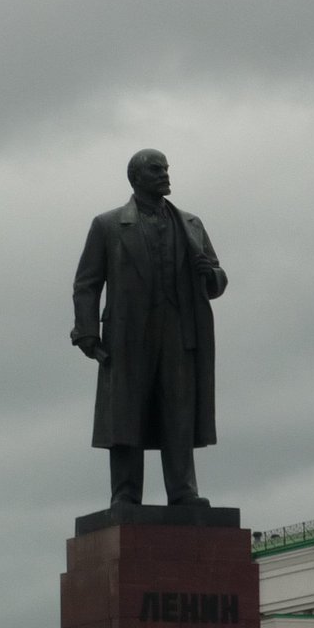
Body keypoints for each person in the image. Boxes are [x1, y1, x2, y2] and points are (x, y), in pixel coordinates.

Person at [71, 149, 227, 506]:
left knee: (179, 413)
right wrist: (87, 332)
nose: (165, 174)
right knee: (127, 417)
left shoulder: (190, 224)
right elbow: (87, 283)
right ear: (136, 177)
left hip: (179, 333)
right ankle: (125, 496)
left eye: (166, 169)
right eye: (156, 169)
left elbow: (216, 281)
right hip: (128, 337)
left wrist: (211, 275)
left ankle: (183, 491)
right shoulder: (108, 225)